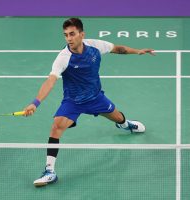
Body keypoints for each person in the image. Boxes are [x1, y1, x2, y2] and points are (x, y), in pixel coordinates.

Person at [23, 18, 155, 187]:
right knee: (56, 127)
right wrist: (35, 103)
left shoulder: (95, 46)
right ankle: (49, 171)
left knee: (118, 117)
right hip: (73, 101)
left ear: (81, 34)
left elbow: (117, 49)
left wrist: (137, 51)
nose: (69, 39)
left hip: (96, 97)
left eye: (72, 34)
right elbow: (50, 81)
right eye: (65, 35)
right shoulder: (63, 57)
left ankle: (125, 124)